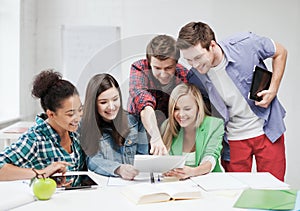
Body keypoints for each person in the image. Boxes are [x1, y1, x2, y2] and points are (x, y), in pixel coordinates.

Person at [177, 21, 287, 181]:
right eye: (189, 60)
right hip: (233, 139)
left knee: (274, 189)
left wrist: (273, 89)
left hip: (267, 129)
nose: (195, 64)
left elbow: (281, 52)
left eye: (198, 57)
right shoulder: (195, 76)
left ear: (212, 45)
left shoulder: (245, 44)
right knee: (237, 193)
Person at [0, 69, 86, 181]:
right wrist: (41, 173)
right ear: (51, 114)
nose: (78, 117)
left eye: (80, 110)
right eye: (70, 114)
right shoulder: (35, 139)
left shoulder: (75, 133)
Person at [127, 34, 190, 155]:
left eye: (168, 68)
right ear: (149, 63)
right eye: (157, 68)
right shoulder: (139, 68)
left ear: (176, 63)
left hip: (169, 128)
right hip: (138, 126)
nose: (163, 74)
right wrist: (156, 138)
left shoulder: (183, 74)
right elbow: (145, 107)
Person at [80, 73, 149, 180]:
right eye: (103, 102)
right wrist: (118, 169)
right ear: (93, 103)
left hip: (135, 184)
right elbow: (92, 160)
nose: (111, 107)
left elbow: (143, 156)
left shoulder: (134, 121)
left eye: (115, 99)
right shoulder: (84, 125)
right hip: (105, 187)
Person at [160, 83, 224, 180]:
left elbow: (210, 158)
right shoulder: (167, 126)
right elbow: (164, 162)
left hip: (209, 182)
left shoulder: (214, 125)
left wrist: (192, 172)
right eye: (176, 109)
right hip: (178, 185)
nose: (181, 114)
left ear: (198, 107)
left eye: (187, 109)